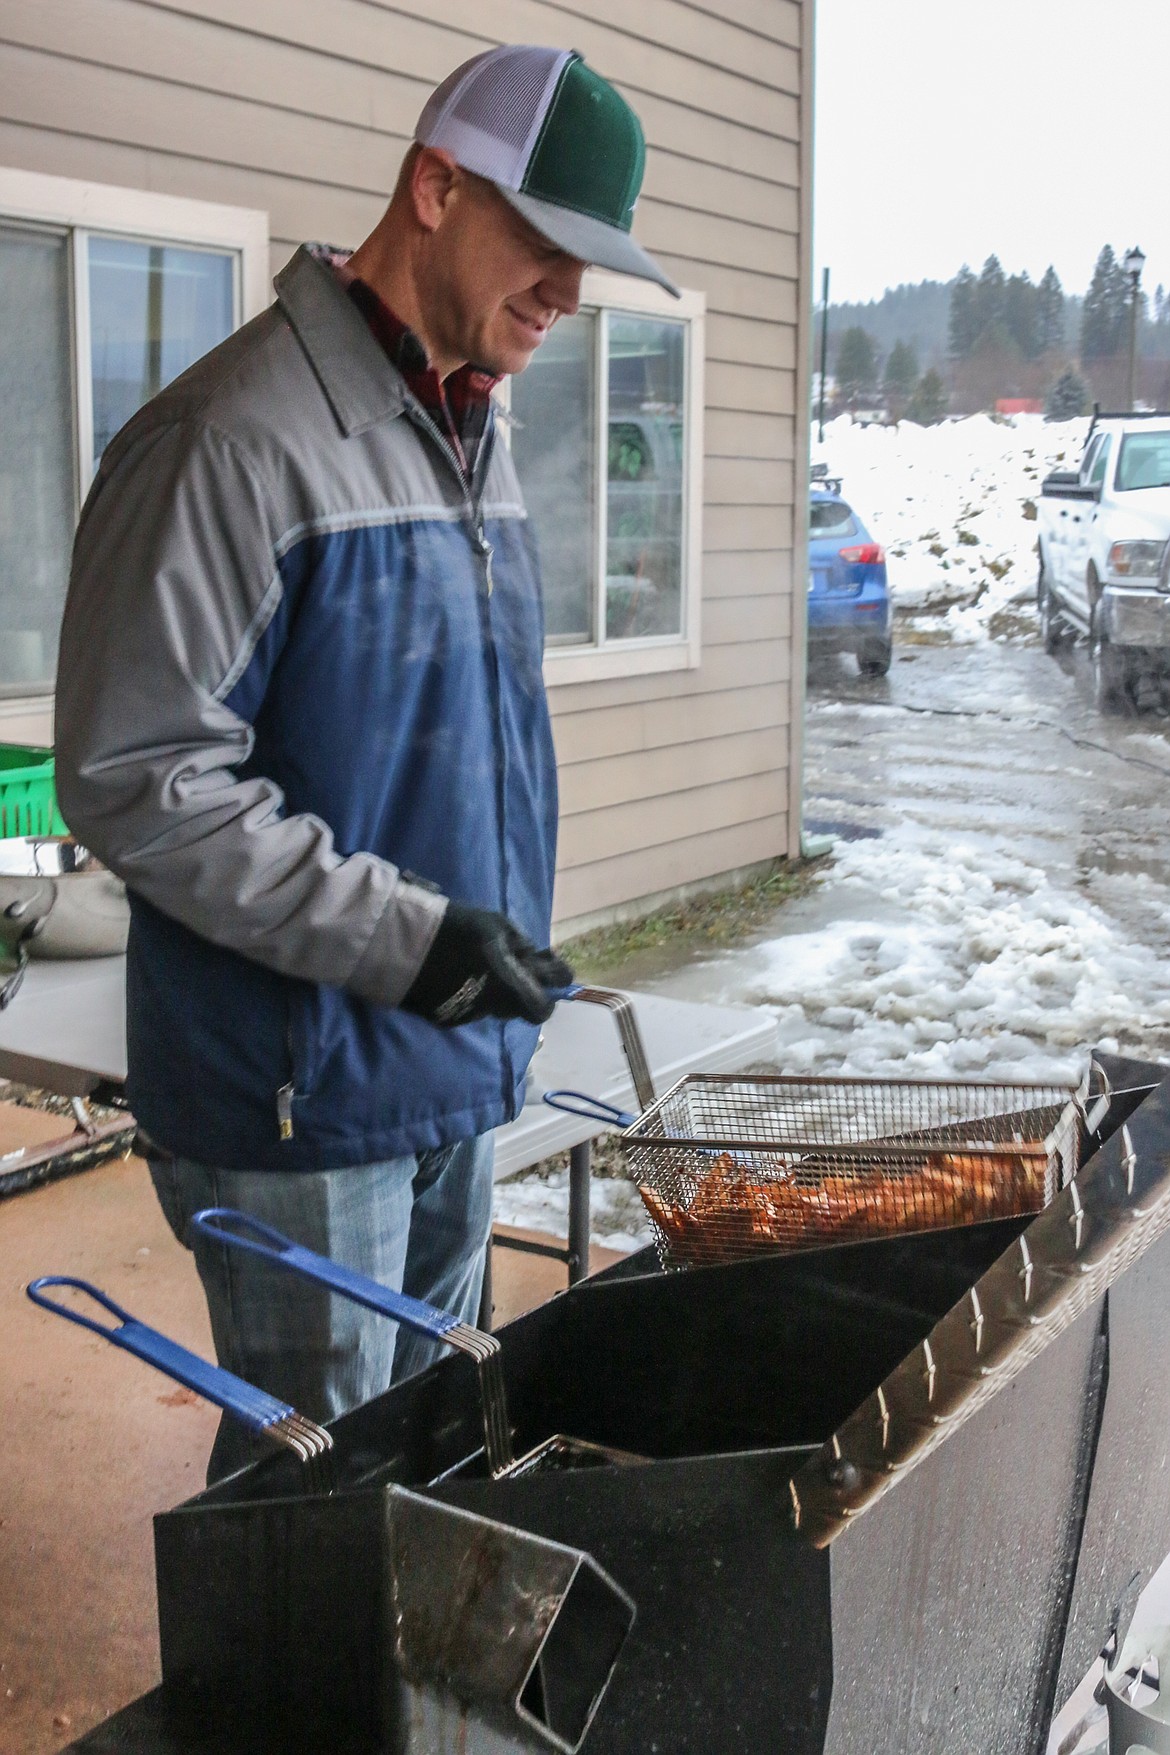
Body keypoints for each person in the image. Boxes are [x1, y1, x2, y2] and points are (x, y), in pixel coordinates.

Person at [55, 45, 677, 1480]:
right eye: (547, 246)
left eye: (594, 265)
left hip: (448, 1048)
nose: (570, 295)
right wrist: (415, 943)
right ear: (434, 185)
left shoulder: (469, 435)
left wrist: (477, 959)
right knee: (314, 1481)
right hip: (299, 1090)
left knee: (434, 1446)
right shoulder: (228, 442)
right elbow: (139, 775)